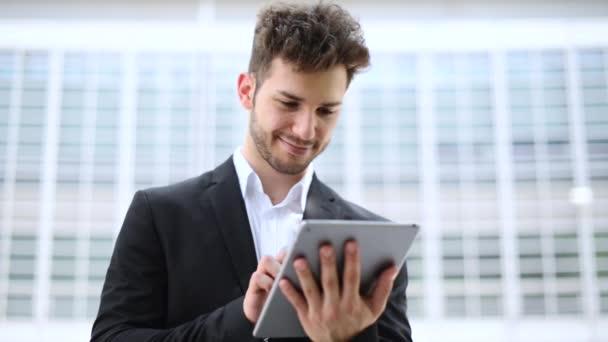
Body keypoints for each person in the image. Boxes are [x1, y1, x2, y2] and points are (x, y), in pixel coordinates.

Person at [90, 2, 412, 341]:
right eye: (289, 103)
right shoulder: (160, 216)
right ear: (247, 90)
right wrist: (242, 318)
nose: (306, 130)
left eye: (326, 111)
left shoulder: (375, 246)